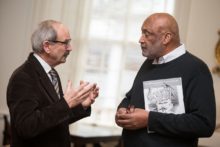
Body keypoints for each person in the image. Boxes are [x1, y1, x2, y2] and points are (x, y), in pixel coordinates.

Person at [115, 13, 216, 147]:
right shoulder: (148, 63)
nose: (140, 39)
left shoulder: (196, 68)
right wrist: (122, 110)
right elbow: (131, 97)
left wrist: (149, 120)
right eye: (142, 33)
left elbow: (204, 124)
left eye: (147, 34)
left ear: (166, 38)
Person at [7, 20, 99, 147]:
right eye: (65, 43)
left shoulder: (52, 74)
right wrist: (66, 103)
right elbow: (26, 127)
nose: (70, 48)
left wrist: (81, 105)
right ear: (47, 46)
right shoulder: (23, 77)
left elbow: (56, 119)